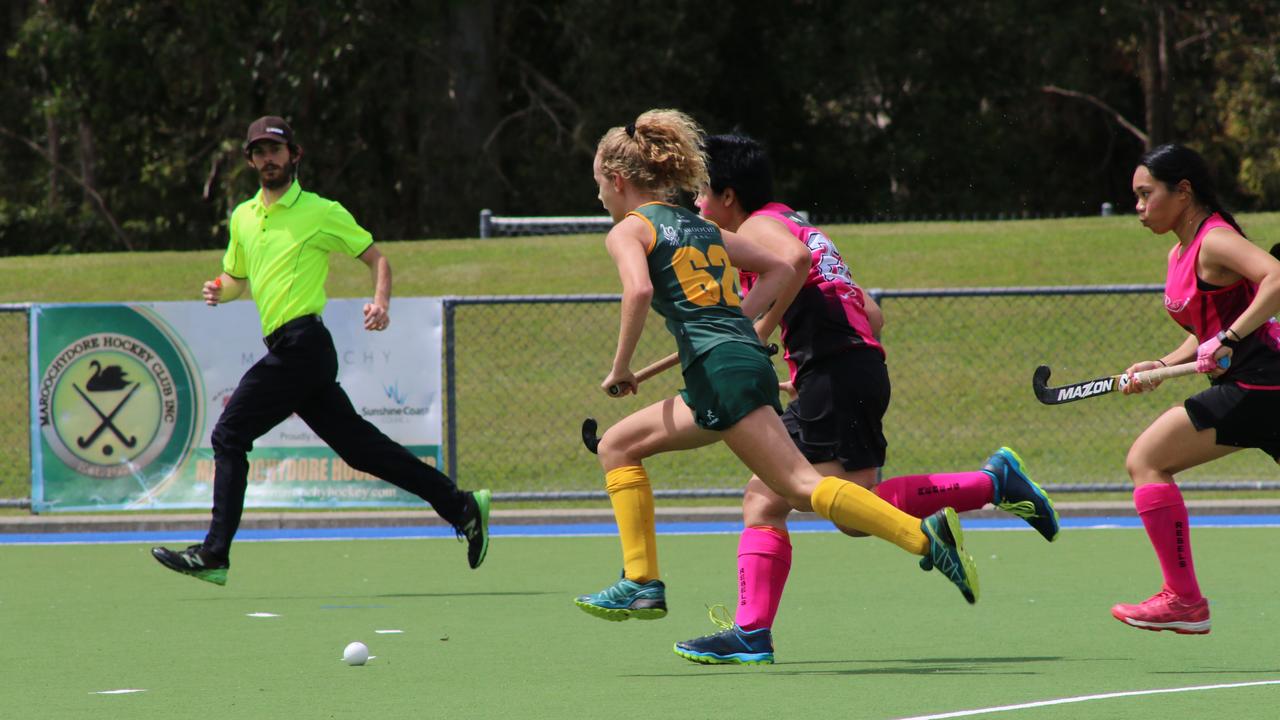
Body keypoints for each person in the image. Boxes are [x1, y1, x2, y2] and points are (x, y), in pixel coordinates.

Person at [575, 109, 979, 625]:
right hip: (735, 365)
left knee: (799, 486)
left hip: (720, 372)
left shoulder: (629, 231)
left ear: (617, 180)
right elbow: (784, 265)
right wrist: (742, 326)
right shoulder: (698, 225)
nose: (600, 198)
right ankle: (642, 582)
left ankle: (924, 537)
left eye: (598, 186)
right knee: (618, 445)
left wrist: (621, 367)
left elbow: (639, 289)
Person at [671, 133, 1059, 664]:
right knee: (836, 507)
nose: (698, 205)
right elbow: (870, 315)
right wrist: (806, 365)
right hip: (849, 369)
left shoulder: (760, 228)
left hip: (837, 371)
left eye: (702, 194)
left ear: (729, 195)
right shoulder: (797, 221)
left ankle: (751, 632)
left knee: (782, 500)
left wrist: (749, 332)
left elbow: (795, 265)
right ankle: (993, 482)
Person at [151, 116, 490, 585]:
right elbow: (237, 279)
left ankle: (214, 553)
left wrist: (382, 302)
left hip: (303, 346)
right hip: (292, 350)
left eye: (276, 149)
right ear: (250, 161)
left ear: (294, 155)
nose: (268, 158)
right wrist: (218, 290)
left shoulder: (320, 210)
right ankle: (462, 505)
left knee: (229, 434)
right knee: (362, 451)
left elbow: (377, 257)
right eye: (259, 151)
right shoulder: (245, 217)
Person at [1109, 143, 1280, 634]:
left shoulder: (1215, 240)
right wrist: (1161, 366)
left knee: (1147, 460)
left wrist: (1230, 338)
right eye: (1136, 197)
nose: (1139, 208)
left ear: (1182, 191)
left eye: (1147, 195)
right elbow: (1205, 326)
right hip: (1252, 385)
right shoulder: (1179, 252)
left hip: (1260, 383)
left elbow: (1275, 278)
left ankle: (1183, 600)